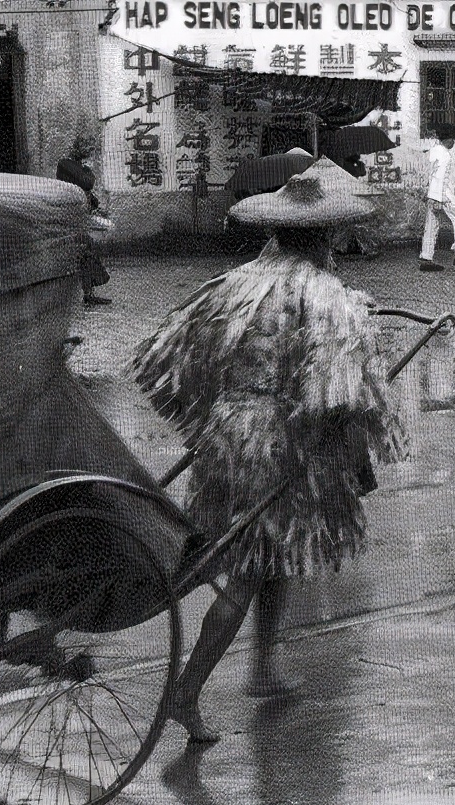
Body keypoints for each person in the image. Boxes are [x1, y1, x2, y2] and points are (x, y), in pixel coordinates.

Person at [134, 159, 405, 742]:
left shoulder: (235, 284)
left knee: (268, 555)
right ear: (328, 237)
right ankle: (185, 692)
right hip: (281, 445)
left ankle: (263, 668)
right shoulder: (330, 298)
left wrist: (211, 409)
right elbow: (332, 395)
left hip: (229, 438)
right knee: (250, 569)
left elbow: (170, 354)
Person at [57, 131, 111, 306]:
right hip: (70, 220)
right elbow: (87, 182)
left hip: (80, 218)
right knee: (83, 254)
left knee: (86, 254)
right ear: (78, 149)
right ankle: (84, 294)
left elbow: (88, 189)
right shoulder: (65, 164)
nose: (89, 152)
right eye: (86, 149)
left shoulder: (77, 167)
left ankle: (88, 293)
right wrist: (87, 169)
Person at [419, 121, 455, 272]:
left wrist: (429, 196)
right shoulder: (444, 155)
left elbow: (428, 176)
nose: (454, 142)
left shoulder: (433, 151)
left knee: (431, 226)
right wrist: (438, 199)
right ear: (449, 139)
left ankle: (426, 258)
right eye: (453, 139)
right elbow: (440, 178)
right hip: (443, 196)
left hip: (433, 195)